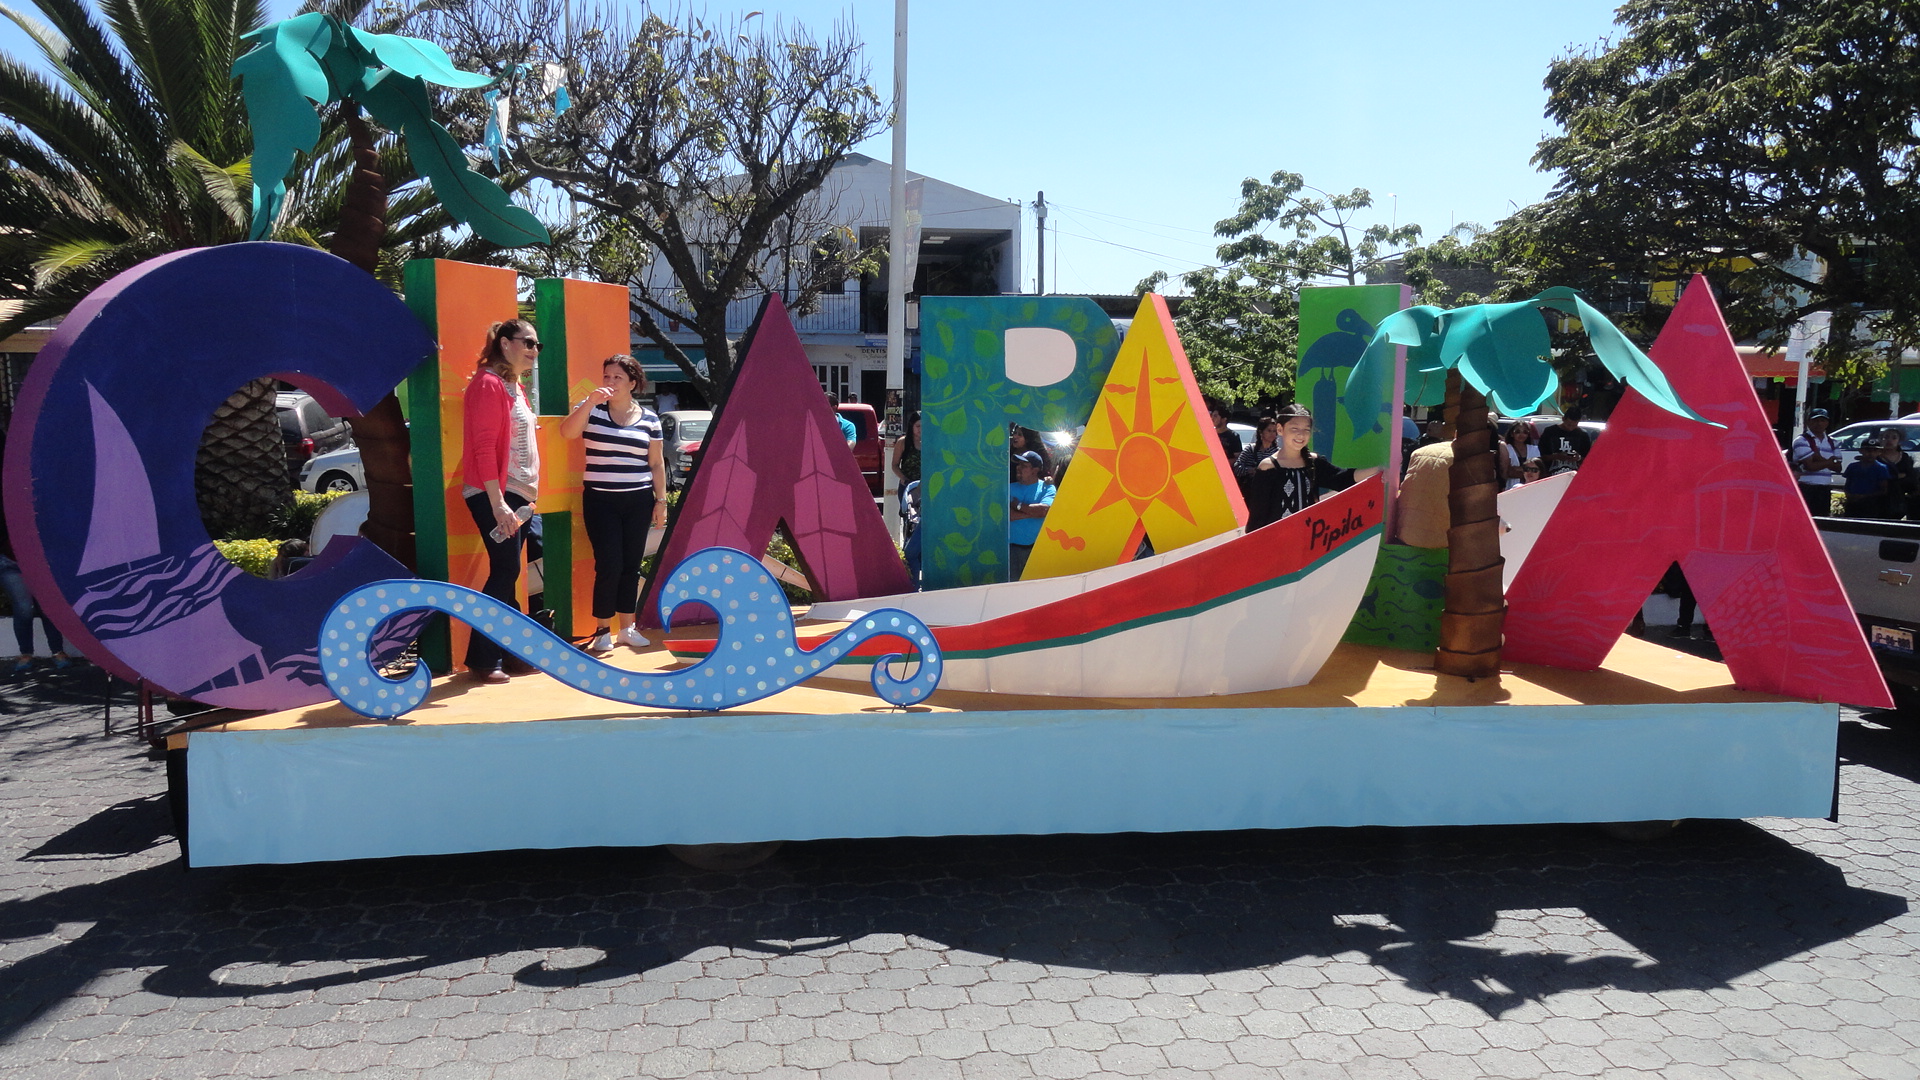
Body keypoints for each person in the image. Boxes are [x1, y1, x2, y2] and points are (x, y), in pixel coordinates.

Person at [561, 354, 669, 653]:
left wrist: (661, 501)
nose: (610, 382)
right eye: (607, 376)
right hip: (601, 499)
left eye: (617, 377)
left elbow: (657, 463)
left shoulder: (650, 419)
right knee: (609, 563)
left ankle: (628, 627)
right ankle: (601, 629)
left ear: (632, 383)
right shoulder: (592, 411)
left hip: (638, 499)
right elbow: (567, 432)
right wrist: (588, 402)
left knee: (631, 565)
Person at [461, 318, 543, 683]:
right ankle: (482, 658)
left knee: (509, 573)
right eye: (527, 342)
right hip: (496, 493)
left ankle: (511, 654)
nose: (534, 350)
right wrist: (498, 503)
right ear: (506, 343)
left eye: (537, 344)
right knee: (505, 571)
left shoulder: (514, 386)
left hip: (517, 494)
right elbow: (481, 448)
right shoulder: (488, 384)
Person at [1238, 403, 1355, 530]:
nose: (1301, 434)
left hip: (1308, 540)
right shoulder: (1268, 467)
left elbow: (1344, 479)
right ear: (1280, 429)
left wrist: (1378, 470)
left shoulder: (1314, 462)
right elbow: (1257, 518)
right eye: (1294, 429)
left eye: (1306, 429)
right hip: (1278, 542)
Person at [1007, 450, 1055, 578]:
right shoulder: (1008, 488)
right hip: (1012, 551)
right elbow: (1009, 516)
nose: (1018, 467)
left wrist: (1019, 506)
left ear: (1035, 470)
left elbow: (1044, 510)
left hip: (1036, 551)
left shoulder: (1047, 488)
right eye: (1018, 464)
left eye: (1024, 465)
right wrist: (1033, 513)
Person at [1791, 409, 1841, 517]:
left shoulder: (1833, 442)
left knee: (1823, 521)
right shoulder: (1801, 440)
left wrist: (1818, 457)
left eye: (1822, 420)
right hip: (1806, 487)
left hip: (1824, 489)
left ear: (1827, 423)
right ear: (1809, 422)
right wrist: (1829, 461)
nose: (1819, 423)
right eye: (1815, 420)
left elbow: (1838, 467)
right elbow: (1810, 466)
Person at [1233, 417, 1281, 501]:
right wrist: (1252, 470)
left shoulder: (1278, 453)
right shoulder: (1250, 449)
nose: (1272, 434)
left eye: (1274, 431)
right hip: (1251, 493)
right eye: (1269, 431)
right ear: (1261, 432)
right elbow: (1237, 467)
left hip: (1270, 494)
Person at [1842, 441, 1890, 519]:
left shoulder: (1881, 468)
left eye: (1874, 451)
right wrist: (1849, 495)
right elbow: (1847, 485)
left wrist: (1864, 496)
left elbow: (1884, 490)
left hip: (1871, 504)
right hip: (1853, 503)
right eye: (1867, 450)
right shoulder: (1852, 466)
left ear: (1879, 452)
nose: (1871, 453)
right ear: (1861, 451)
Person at [1537, 411, 1591, 477]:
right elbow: (1540, 456)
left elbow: (1589, 458)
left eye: (1574, 425)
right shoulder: (1550, 432)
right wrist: (1556, 456)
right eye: (1569, 424)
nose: (1571, 428)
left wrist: (1578, 458)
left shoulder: (1582, 434)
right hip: (1551, 474)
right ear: (1563, 419)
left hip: (1574, 475)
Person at [892, 411, 922, 530]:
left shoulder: (929, 442)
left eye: (923, 426)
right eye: (918, 426)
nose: (920, 429)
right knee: (909, 519)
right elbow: (894, 465)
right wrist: (904, 478)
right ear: (912, 426)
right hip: (908, 487)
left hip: (924, 486)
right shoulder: (903, 442)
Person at [1879, 428, 1915, 520]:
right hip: (1879, 497)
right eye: (1886, 437)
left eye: (1894, 438)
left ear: (1899, 441)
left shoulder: (1905, 457)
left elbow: (1910, 477)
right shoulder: (1876, 457)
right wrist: (1896, 476)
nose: (1889, 440)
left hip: (1899, 498)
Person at [1500, 421, 1539, 489]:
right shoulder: (1506, 448)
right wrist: (1528, 470)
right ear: (1512, 434)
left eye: (1525, 432)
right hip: (1510, 487)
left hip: (1531, 488)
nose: (1521, 435)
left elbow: (1538, 470)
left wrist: (1517, 469)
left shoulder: (1534, 449)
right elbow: (1508, 471)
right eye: (1517, 432)